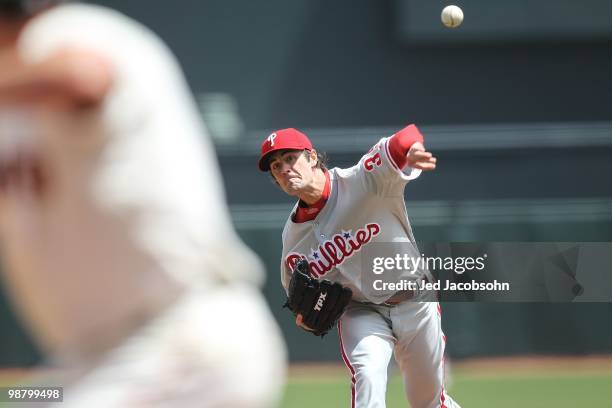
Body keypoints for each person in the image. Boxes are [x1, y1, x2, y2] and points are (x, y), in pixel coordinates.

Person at [0, 1, 286, 406]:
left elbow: (81, 76)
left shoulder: (66, 29)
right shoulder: (14, 90)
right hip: (94, 360)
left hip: (181, 332)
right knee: (24, 400)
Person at [258, 126, 461, 407]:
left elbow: (404, 137)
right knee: (368, 375)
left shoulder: (362, 181)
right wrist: (306, 316)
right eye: (276, 166)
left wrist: (412, 149)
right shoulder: (293, 239)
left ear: (312, 157)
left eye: (290, 158)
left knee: (428, 402)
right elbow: (299, 303)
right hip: (362, 310)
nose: (284, 169)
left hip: (415, 299)